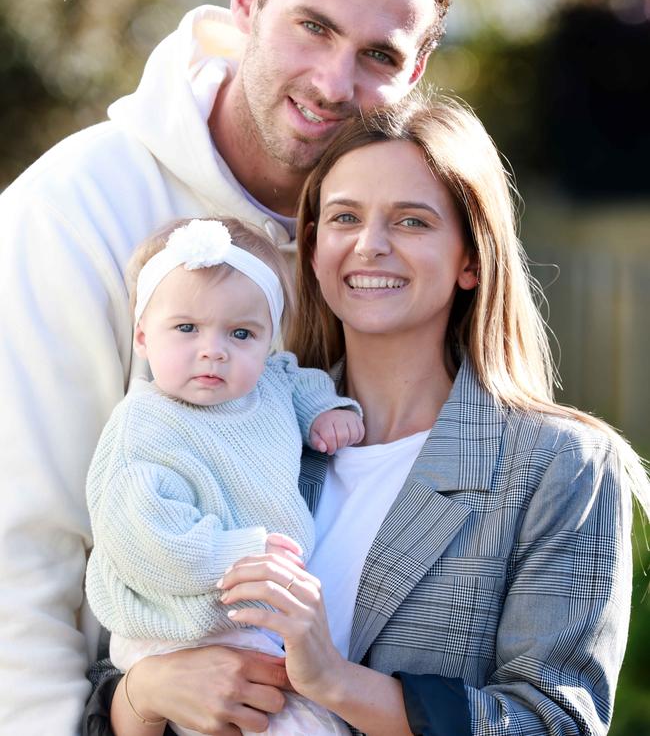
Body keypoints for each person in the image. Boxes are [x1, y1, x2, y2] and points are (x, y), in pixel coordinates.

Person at [0, 0, 456, 731]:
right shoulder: (72, 212)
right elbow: (22, 549)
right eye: (313, 26)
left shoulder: (394, 245)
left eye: (378, 54)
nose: (331, 81)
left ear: (416, 70)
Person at [92, 96, 650, 735]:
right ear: (312, 248)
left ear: (471, 258)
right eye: (344, 217)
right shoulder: (235, 419)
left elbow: (555, 724)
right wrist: (145, 692)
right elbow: (141, 628)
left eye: (411, 221)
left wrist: (334, 679)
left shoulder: (559, 466)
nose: (370, 245)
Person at [86, 216, 361, 736]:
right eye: (186, 328)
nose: (213, 349)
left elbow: (298, 382)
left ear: (267, 339)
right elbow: (144, 540)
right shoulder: (143, 428)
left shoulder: (270, 384)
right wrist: (238, 554)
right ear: (144, 334)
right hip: (179, 626)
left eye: (241, 333)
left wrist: (326, 411)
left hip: (252, 617)